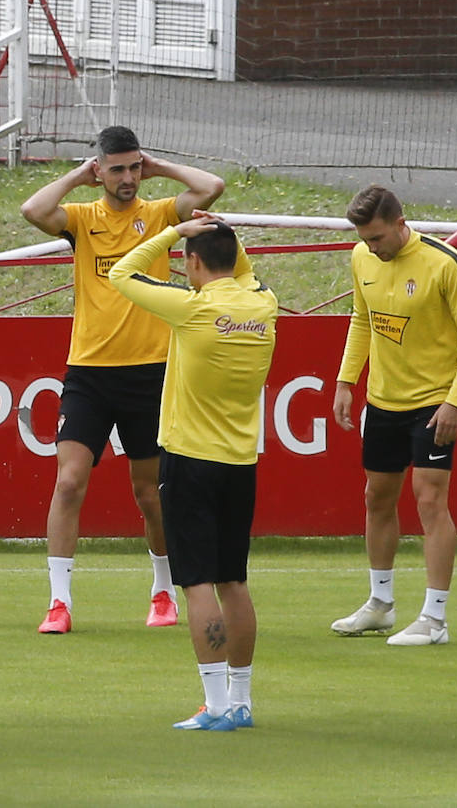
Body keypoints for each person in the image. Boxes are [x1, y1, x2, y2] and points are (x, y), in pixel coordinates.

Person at [20, 125, 225, 633]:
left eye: (135, 167)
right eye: (118, 169)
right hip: (89, 372)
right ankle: (59, 603)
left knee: (150, 492)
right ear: (100, 171)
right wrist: (76, 177)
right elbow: (33, 211)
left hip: (151, 371)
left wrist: (163, 168)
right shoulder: (84, 218)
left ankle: (161, 590)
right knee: (69, 482)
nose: (129, 177)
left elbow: (211, 188)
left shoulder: (157, 214)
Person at [109, 210, 276, 730]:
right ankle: (241, 700)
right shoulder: (264, 305)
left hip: (189, 460)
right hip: (240, 462)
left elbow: (121, 273)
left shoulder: (192, 309)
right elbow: (242, 272)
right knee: (234, 581)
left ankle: (216, 706)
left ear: (194, 262)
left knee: (197, 584)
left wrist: (175, 231)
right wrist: (224, 237)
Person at [330, 186, 457, 645]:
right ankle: (380, 604)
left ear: (401, 223)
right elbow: (362, 318)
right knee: (376, 497)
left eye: (377, 237)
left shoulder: (444, 263)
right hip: (383, 402)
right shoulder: (362, 258)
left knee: (429, 500)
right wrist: (346, 380)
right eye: (364, 238)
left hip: (433, 402)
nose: (371, 247)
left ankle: (434, 619)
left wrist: (456, 401)